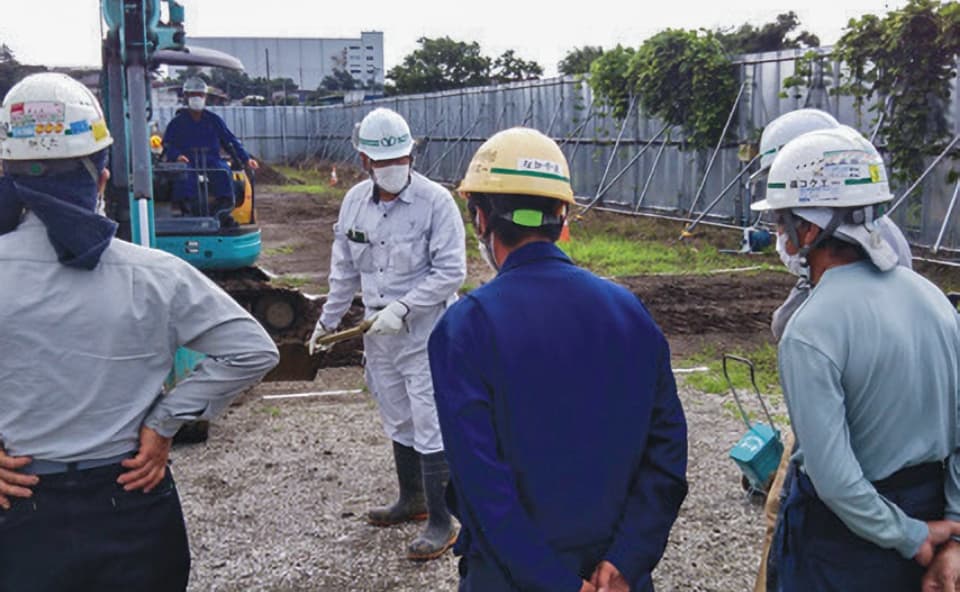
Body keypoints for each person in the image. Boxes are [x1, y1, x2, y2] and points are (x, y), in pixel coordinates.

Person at [0, 72, 279, 591]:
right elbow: (252, 350)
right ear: (102, 177)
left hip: (19, 508)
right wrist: (164, 422)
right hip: (130, 496)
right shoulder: (156, 274)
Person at [428, 127, 688, 592]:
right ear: (561, 216)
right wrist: (627, 557)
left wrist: (556, 582)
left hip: (512, 580)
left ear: (481, 219)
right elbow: (667, 451)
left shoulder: (466, 327)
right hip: (614, 578)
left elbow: (482, 487)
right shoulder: (628, 311)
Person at [751, 125, 960, 591]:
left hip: (845, 544)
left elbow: (836, 480)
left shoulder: (810, 329)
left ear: (808, 229)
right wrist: (953, 530)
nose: (780, 235)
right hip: (932, 516)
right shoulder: (934, 300)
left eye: (782, 221)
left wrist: (910, 536)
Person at [307, 107, 467, 560]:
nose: (394, 167)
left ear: (412, 154)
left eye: (401, 158)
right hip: (377, 332)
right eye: (383, 162)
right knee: (397, 415)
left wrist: (404, 306)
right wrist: (327, 322)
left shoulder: (436, 203)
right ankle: (412, 499)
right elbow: (343, 272)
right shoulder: (354, 203)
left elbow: (451, 271)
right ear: (364, 161)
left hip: (426, 331)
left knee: (429, 419)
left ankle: (442, 520)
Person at [161, 77, 258, 227]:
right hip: (188, 161)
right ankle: (188, 211)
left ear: (205, 97)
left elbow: (230, 140)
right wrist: (177, 156)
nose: (197, 98)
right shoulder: (177, 123)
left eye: (200, 94)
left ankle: (222, 212)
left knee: (223, 171)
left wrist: (245, 159)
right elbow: (169, 144)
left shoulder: (214, 120)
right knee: (184, 175)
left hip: (211, 159)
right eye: (193, 94)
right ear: (186, 96)